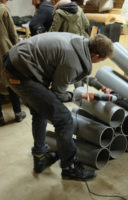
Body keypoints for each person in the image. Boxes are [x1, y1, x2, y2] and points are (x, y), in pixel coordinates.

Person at [2, 32, 114, 181]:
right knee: (64, 120)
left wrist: (100, 86)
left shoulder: (80, 44)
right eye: (102, 60)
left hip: (18, 62)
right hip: (20, 73)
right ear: (95, 56)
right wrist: (81, 96)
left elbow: (79, 73)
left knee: (40, 111)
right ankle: (69, 167)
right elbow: (58, 94)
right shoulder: (71, 60)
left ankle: (40, 156)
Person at [0, 0, 26, 126]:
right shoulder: (3, 10)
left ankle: (0, 118)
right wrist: (17, 49)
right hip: (4, 50)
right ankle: (18, 113)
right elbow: (13, 33)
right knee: (12, 81)